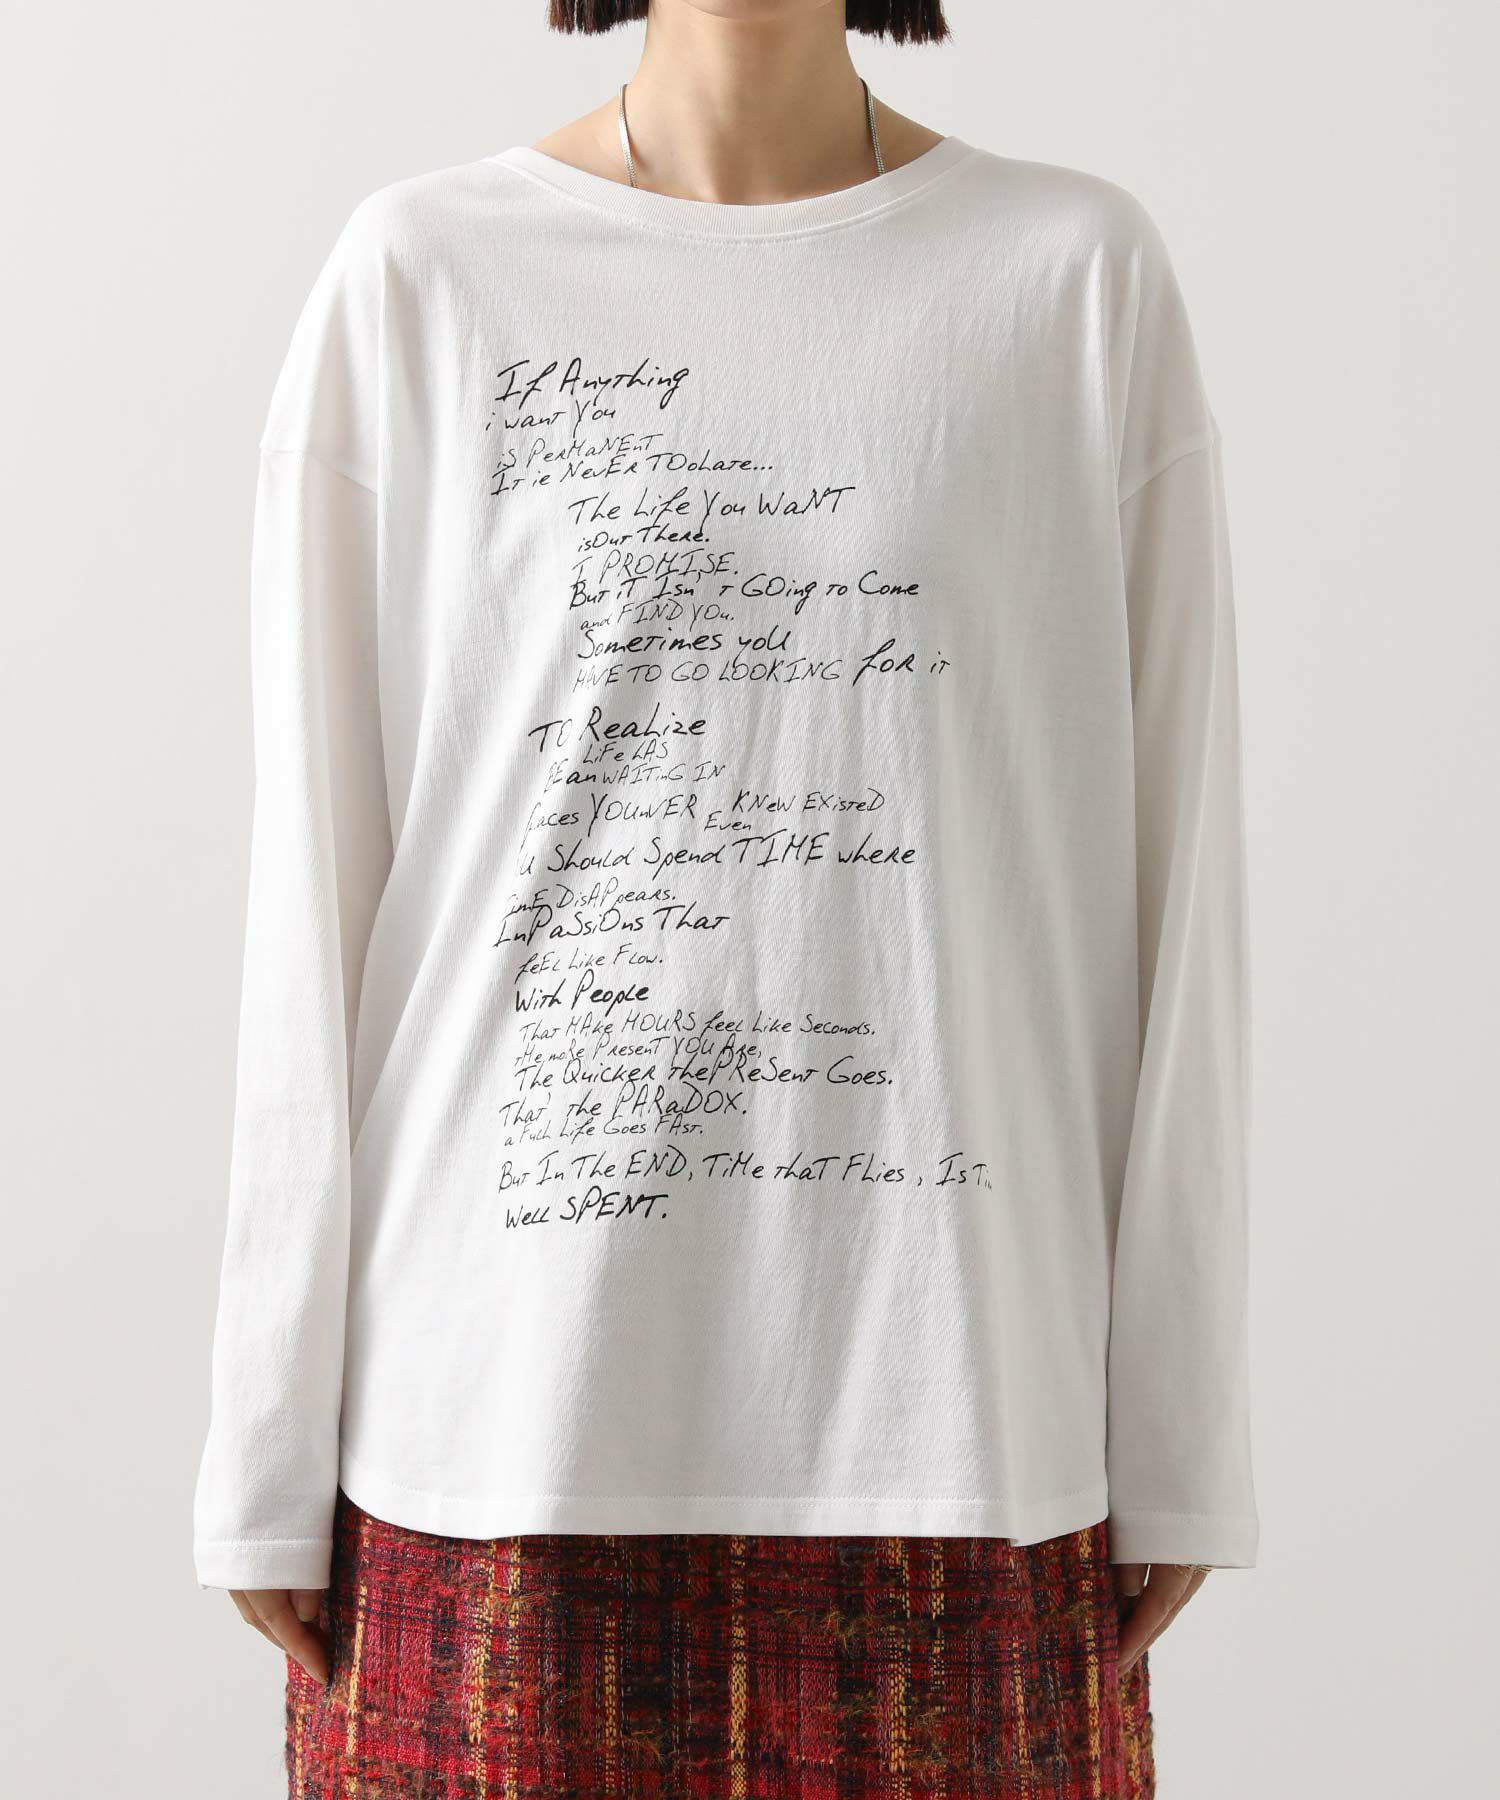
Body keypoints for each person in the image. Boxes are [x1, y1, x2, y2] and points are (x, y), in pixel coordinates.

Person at [194, 3, 1258, 1794]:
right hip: (502, 1429)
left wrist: (1181, 1426)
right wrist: (266, 1430)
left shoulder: (1074, 280)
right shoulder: (422, 276)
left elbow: (1184, 871)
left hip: (961, 1433)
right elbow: (316, 882)